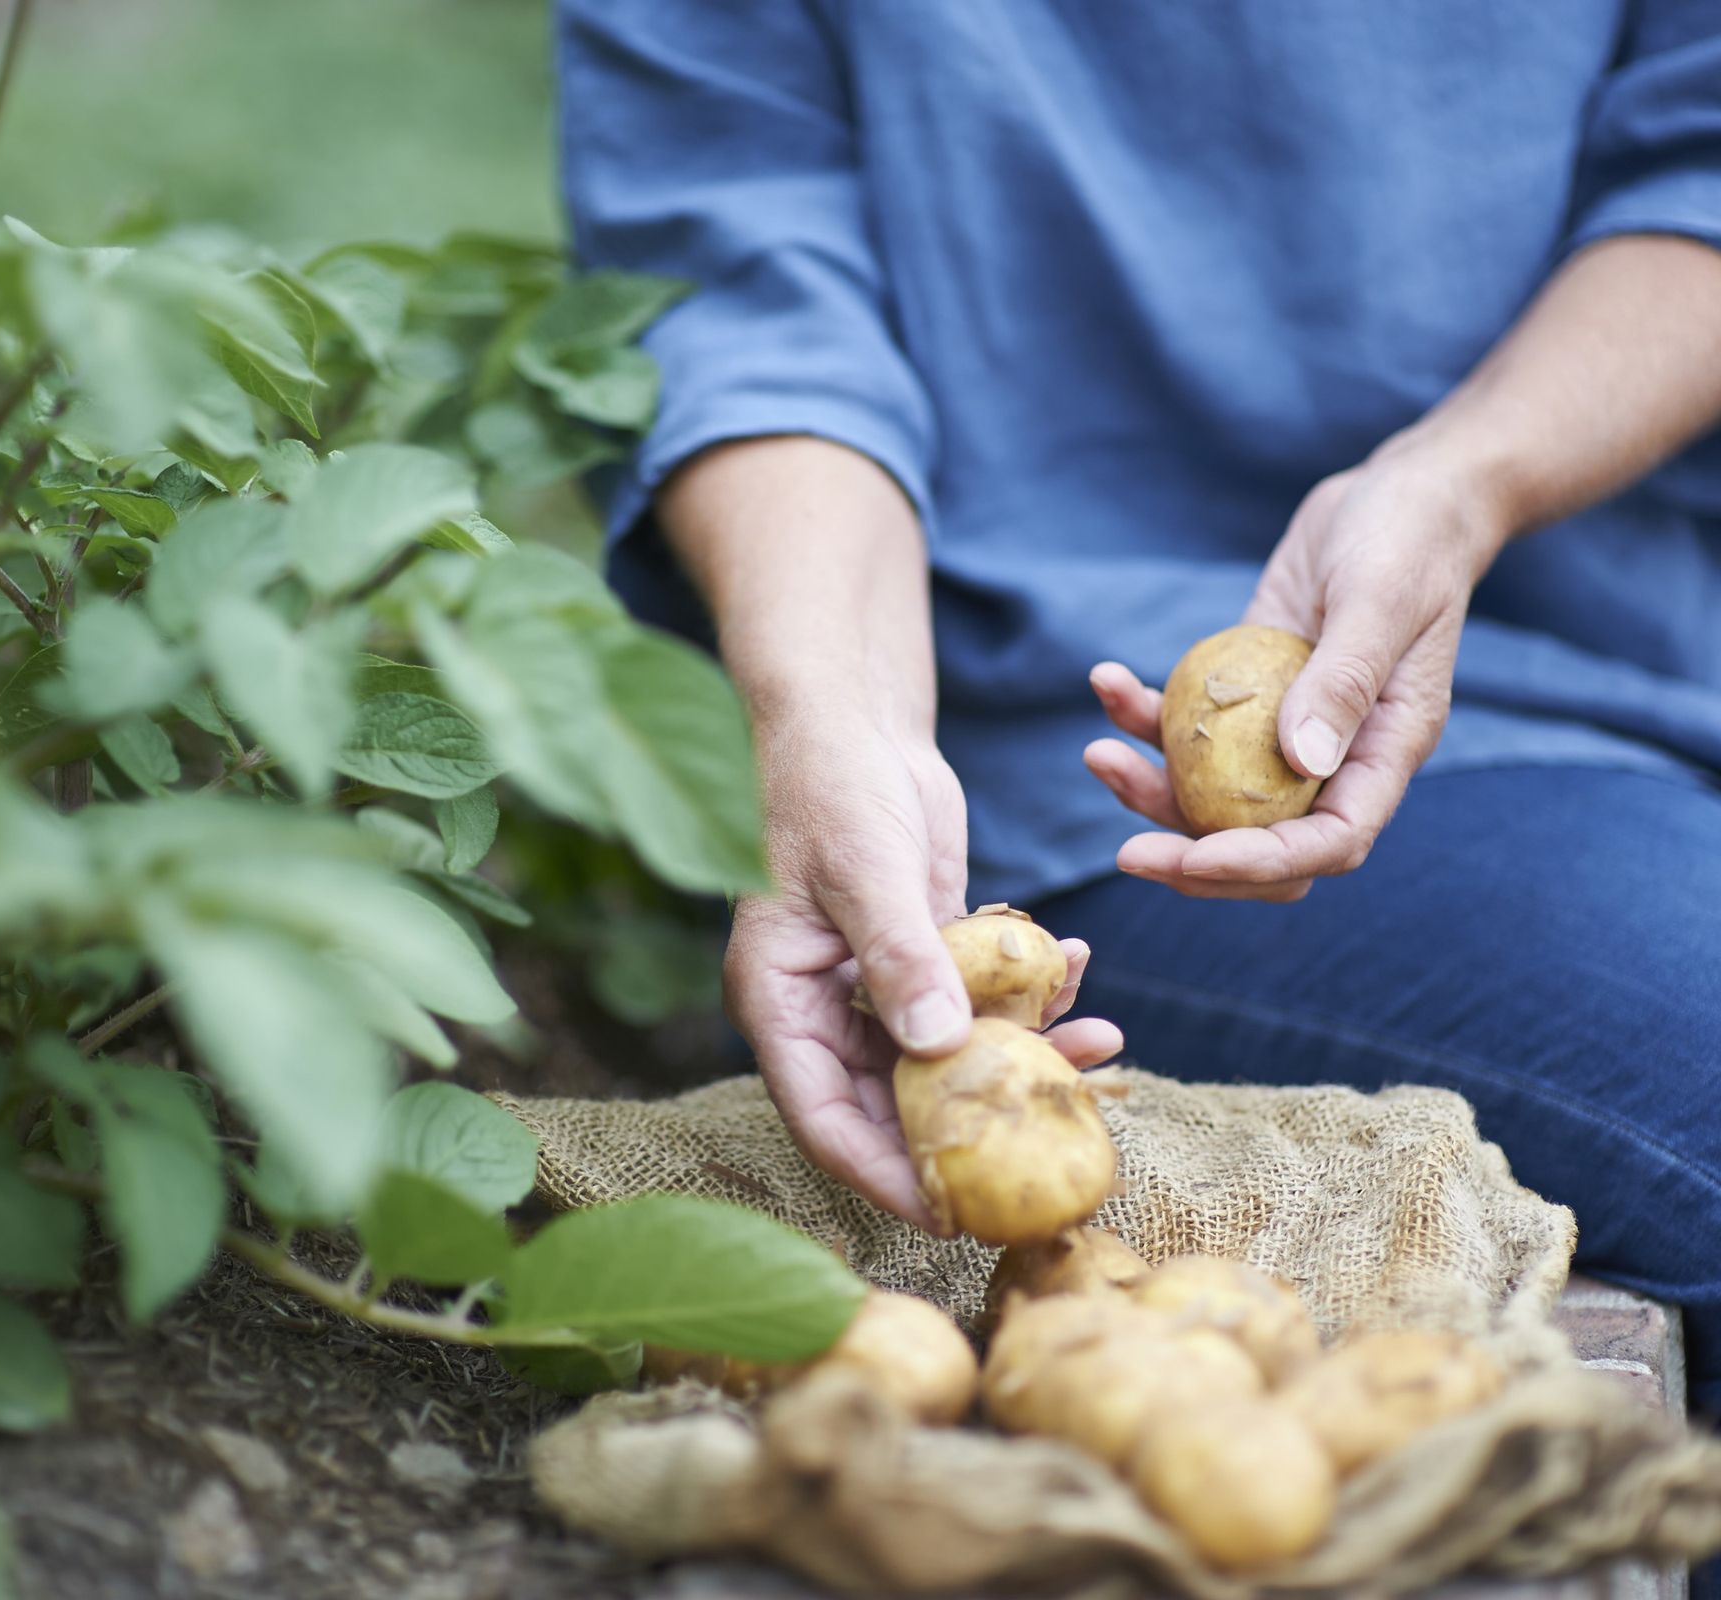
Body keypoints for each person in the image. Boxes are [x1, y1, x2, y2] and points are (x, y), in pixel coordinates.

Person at [555, 3, 1721, 1418]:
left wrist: (1460, 483)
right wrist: (830, 720)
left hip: (1595, 634)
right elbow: (746, 299)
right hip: (1040, 773)